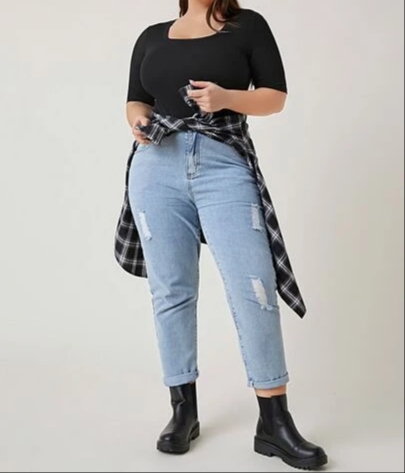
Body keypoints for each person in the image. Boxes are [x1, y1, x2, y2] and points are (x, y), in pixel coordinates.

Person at [122, 0, 328, 469]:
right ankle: (183, 411)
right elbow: (136, 98)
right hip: (155, 167)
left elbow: (274, 96)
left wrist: (226, 98)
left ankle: (274, 422)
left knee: (254, 287)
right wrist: (137, 121)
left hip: (223, 161)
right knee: (171, 290)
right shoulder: (152, 35)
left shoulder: (247, 25)